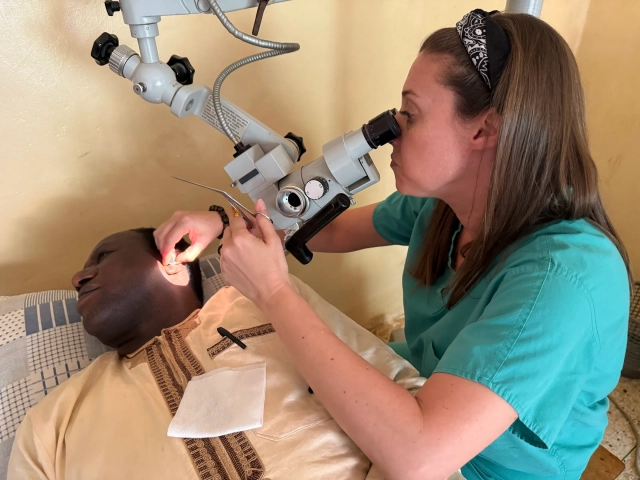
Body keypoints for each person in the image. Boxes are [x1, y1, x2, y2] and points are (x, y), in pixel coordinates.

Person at [155, 10, 633, 480]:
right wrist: (222, 221)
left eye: (411, 114)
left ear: (483, 130)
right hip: (418, 395)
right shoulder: (445, 205)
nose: (391, 133)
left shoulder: (562, 278)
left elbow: (418, 460)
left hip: (481, 465)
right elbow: (328, 229)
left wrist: (275, 293)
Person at [8, 228, 424, 480]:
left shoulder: (266, 302)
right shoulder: (54, 421)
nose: (78, 278)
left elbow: (407, 401)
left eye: (103, 257)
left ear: (171, 259)